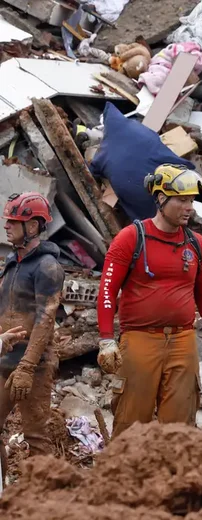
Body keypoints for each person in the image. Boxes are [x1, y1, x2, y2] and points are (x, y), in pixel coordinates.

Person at [97, 165, 202, 437]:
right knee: (131, 422)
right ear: (161, 198)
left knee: (179, 426)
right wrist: (107, 340)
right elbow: (107, 291)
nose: (189, 207)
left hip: (183, 342)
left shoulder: (196, 244)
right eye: (182, 200)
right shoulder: (131, 238)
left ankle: (172, 479)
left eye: (192, 200)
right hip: (140, 340)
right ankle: (122, 477)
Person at [0, 193, 64, 474]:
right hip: (4, 361)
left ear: (34, 227)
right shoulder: (13, 263)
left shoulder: (48, 266)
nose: (6, 226)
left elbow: (45, 318)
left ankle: (44, 505)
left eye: (14, 221)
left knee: (36, 437)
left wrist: (27, 366)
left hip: (33, 367)